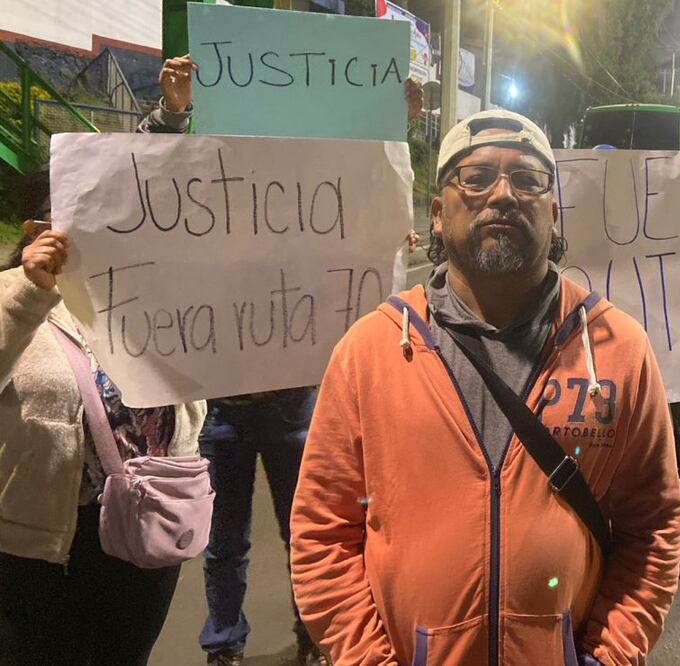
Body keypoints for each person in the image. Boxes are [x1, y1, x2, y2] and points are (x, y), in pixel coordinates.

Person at [289, 109, 680, 665]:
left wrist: (610, 655)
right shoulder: (369, 351)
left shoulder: (618, 347)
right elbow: (321, 534)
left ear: (553, 210)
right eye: (475, 178)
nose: (503, 195)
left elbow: (655, 526)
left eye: (527, 180)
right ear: (435, 213)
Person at [148, 55, 422, 666]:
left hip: (299, 402)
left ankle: (316, 635)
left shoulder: (306, 193)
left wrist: (390, 125)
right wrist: (172, 111)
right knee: (224, 544)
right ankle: (224, 644)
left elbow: (365, 198)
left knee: (309, 537)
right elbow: (146, 179)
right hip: (222, 406)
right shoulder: (207, 198)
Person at [0, 171, 207, 665]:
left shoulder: (154, 290)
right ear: (35, 229)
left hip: (148, 520)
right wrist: (31, 290)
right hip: (43, 543)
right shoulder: (13, 294)